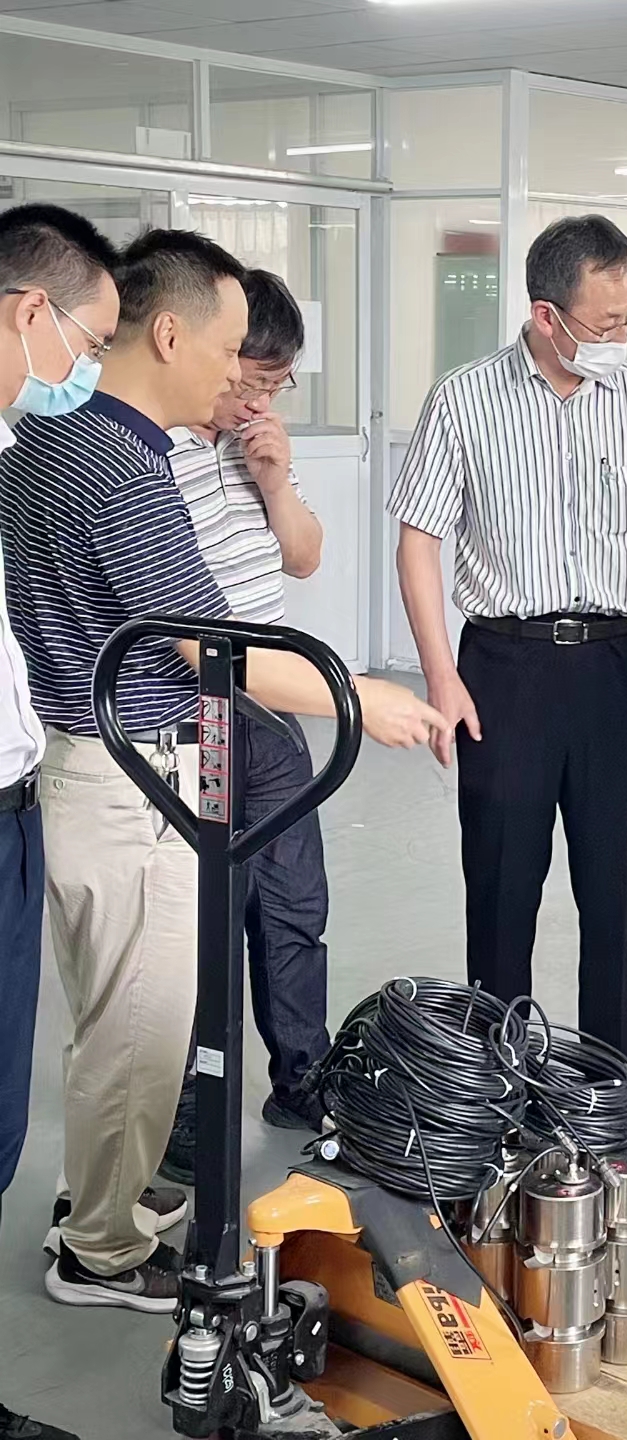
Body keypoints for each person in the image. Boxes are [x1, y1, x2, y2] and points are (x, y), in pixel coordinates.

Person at [0, 228, 449, 1314]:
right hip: (136, 780)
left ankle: (94, 1202)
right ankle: (101, 1253)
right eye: (229, 349)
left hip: (84, 769)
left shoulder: (38, 443)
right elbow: (213, 646)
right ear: (169, 335)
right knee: (143, 1031)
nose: (236, 378)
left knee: (114, 1018)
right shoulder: (119, 463)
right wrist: (365, 695)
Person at [390, 214, 627, 1056]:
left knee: (617, 887)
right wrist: (440, 677)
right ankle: (496, 1075)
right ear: (545, 315)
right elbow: (418, 541)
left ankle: (616, 1080)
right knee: (501, 883)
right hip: (505, 668)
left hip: (615, 664)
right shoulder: (464, 400)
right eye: (603, 324)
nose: (619, 339)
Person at [163, 270, 328, 1187]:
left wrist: (273, 477)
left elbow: (302, 558)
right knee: (205, 923)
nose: (258, 398)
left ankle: (301, 1079)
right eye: (251, 378)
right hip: (197, 715)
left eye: (275, 384)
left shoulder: (254, 445)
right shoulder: (153, 455)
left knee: (296, 908)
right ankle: (190, 1106)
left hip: (274, 714)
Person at [0, 203, 118, 1440]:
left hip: (16, 810)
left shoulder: (5, 448)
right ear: (31, 312)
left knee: (1, 1113)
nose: (89, 369)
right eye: (90, 341)